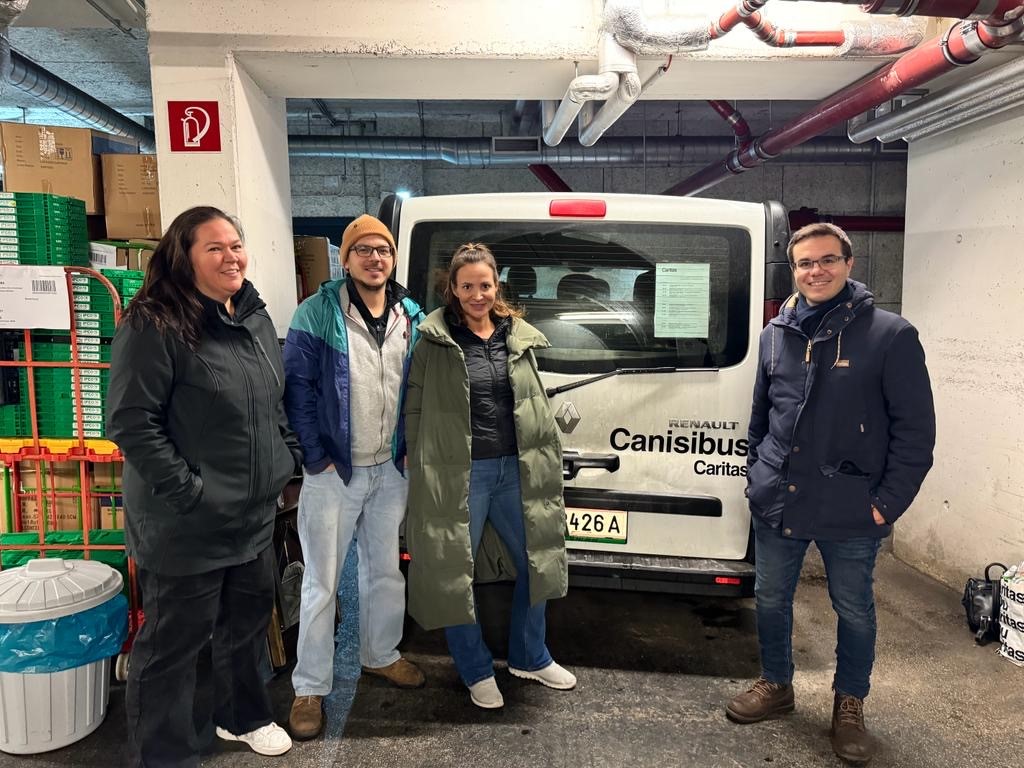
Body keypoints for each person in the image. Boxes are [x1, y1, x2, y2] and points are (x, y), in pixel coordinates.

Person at [726, 223, 935, 764]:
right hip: (780, 498)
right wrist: (757, 475)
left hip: (851, 502)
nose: (814, 272)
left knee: (854, 608)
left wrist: (885, 503)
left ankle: (849, 703)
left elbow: (916, 433)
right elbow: (760, 417)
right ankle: (777, 685)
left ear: (848, 263)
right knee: (770, 599)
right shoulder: (776, 333)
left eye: (826, 261)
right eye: (803, 263)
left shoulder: (890, 335)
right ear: (792, 270)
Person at [107, 206, 301, 767]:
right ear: (183, 255)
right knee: (172, 647)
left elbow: (272, 398)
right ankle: (162, 755)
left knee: (243, 629)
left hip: (252, 515)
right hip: (185, 522)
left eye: (236, 244)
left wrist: (284, 456)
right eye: (214, 247)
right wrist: (191, 492)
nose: (231, 256)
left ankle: (240, 717)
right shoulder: (156, 322)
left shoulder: (252, 316)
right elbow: (130, 422)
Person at [404, 243, 575, 709]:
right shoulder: (434, 340)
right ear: (453, 290)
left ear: (496, 285)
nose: (477, 294)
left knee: (538, 560)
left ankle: (530, 656)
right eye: (467, 287)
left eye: (485, 285)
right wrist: (417, 464)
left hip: (515, 469)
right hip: (462, 472)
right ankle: (476, 669)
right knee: (451, 571)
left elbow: (532, 401)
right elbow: (415, 406)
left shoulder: (515, 336)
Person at [282, 214, 425, 740]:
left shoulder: (411, 313)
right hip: (333, 472)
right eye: (362, 250)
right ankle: (310, 687)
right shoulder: (317, 313)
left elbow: (419, 388)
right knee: (322, 583)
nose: (374, 258)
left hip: (390, 469)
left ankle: (380, 654)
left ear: (392, 259)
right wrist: (314, 456)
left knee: (385, 570)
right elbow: (298, 389)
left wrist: (408, 448)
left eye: (382, 250)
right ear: (346, 259)